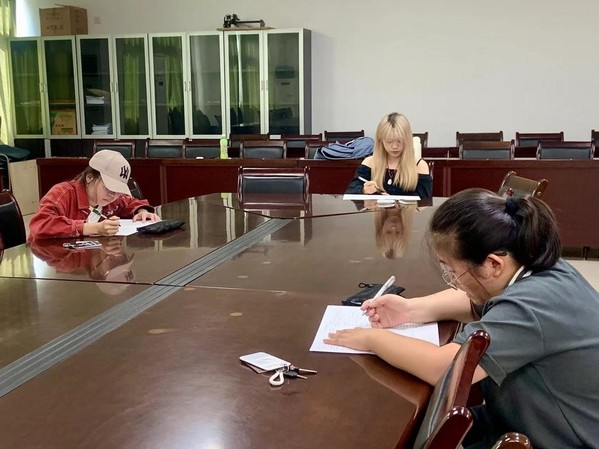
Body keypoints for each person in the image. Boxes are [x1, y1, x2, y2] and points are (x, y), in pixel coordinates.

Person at [325, 188, 599, 448]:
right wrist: (409, 310)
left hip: (561, 439)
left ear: (493, 264)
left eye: (454, 272)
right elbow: (473, 301)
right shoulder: (536, 265)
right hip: (522, 417)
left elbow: (446, 369)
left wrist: (371, 339)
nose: (454, 282)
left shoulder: (530, 307)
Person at [29, 150, 160, 240]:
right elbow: (40, 224)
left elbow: (129, 202)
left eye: (118, 191)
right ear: (90, 177)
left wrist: (142, 211)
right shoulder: (63, 194)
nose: (113, 196)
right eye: (108, 188)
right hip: (52, 262)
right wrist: (93, 228)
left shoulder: (112, 199)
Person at [345, 112, 432, 197]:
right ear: (381, 140)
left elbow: (424, 201)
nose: (394, 146)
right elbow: (350, 193)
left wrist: (394, 201)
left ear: (407, 140)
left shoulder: (419, 166)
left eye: (399, 141)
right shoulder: (369, 163)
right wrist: (364, 190)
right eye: (389, 141)